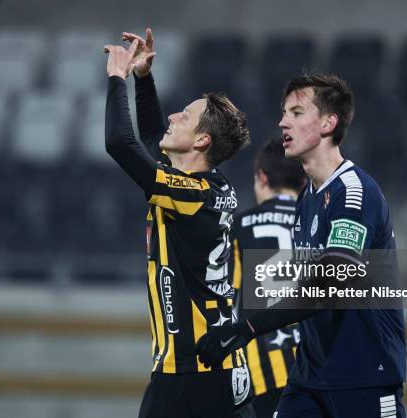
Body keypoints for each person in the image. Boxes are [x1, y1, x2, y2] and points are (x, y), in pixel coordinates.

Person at [196, 74, 407, 418]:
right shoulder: (306, 200)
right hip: (310, 379)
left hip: (364, 378)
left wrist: (247, 327)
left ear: (328, 123)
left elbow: (330, 282)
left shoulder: (354, 193)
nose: (282, 122)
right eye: (283, 113)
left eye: (296, 112)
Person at [104, 28, 254, 417]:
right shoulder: (211, 187)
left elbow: (122, 144)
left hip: (190, 371)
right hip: (224, 366)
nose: (174, 115)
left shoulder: (190, 194)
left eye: (185, 116)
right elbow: (156, 139)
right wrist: (144, 78)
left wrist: (118, 79)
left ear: (202, 140)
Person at [230, 137, 305, 417]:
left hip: (263, 376)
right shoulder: (321, 224)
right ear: (303, 183)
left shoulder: (238, 227)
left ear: (262, 178)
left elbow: (225, 299)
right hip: (319, 374)